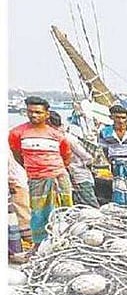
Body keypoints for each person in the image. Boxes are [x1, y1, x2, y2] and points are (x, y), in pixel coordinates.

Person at [8, 96, 73, 246]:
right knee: (38, 213)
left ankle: (65, 241)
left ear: (46, 114)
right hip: (36, 178)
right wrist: (34, 168)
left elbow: (66, 156)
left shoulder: (57, 135)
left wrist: (55, 170)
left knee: (64, 211)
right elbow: (18, 154)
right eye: (30, 112)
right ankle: (39, 244)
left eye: (38, 112)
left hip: (59, 177)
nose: (33, 115)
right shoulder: (17, 133)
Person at [49, 110, 100, 208]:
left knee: (90, 205)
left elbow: (87, 157)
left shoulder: (68, 139)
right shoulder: (53, 139)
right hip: (64, 178)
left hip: (79, 176)